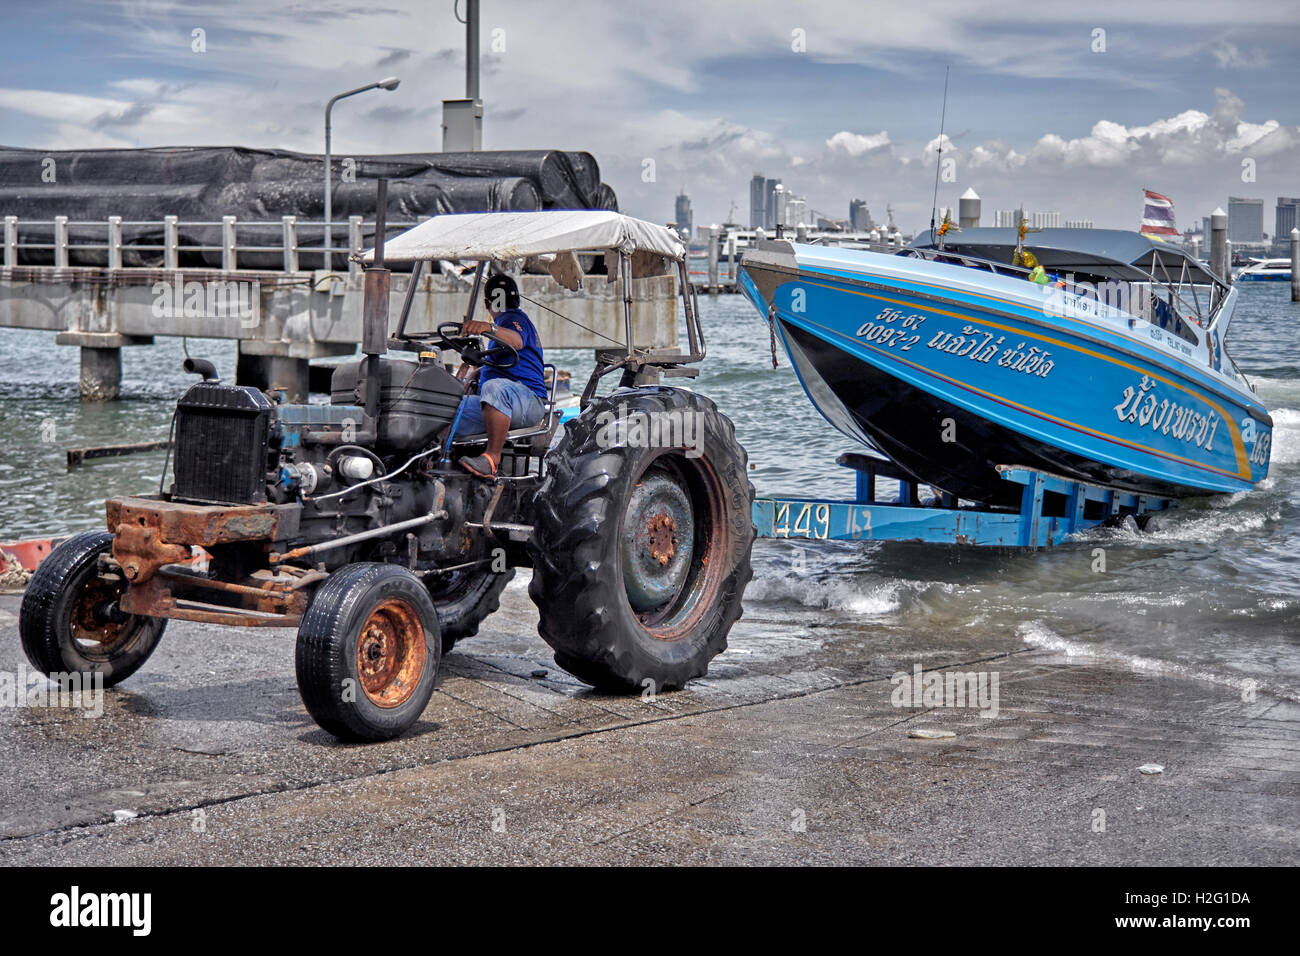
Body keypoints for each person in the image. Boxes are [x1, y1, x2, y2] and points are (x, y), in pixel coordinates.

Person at [453, 273, 548, 479]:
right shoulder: (503, 326)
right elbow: (501, 360)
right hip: (500, 403)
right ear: (518, 299)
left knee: (495, 388)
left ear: (487, 304)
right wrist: (474, 374)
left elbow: (516, 341)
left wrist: (490, 327)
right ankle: (434, 456)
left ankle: (491, 458)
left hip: (529, 401)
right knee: (447, 406)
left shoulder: (512, 318)